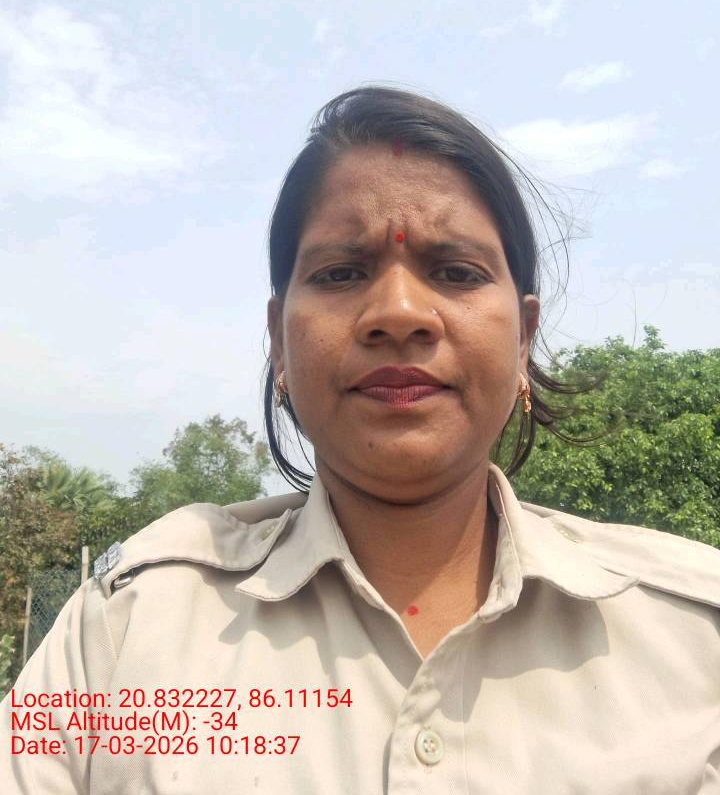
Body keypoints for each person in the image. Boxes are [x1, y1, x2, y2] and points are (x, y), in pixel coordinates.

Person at [1, 86, 718, 793]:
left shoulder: (695, 629)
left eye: (456, 272)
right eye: (341, 273)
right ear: (279, 340)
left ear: (524, 338)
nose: (398, 313)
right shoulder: (124, 624)